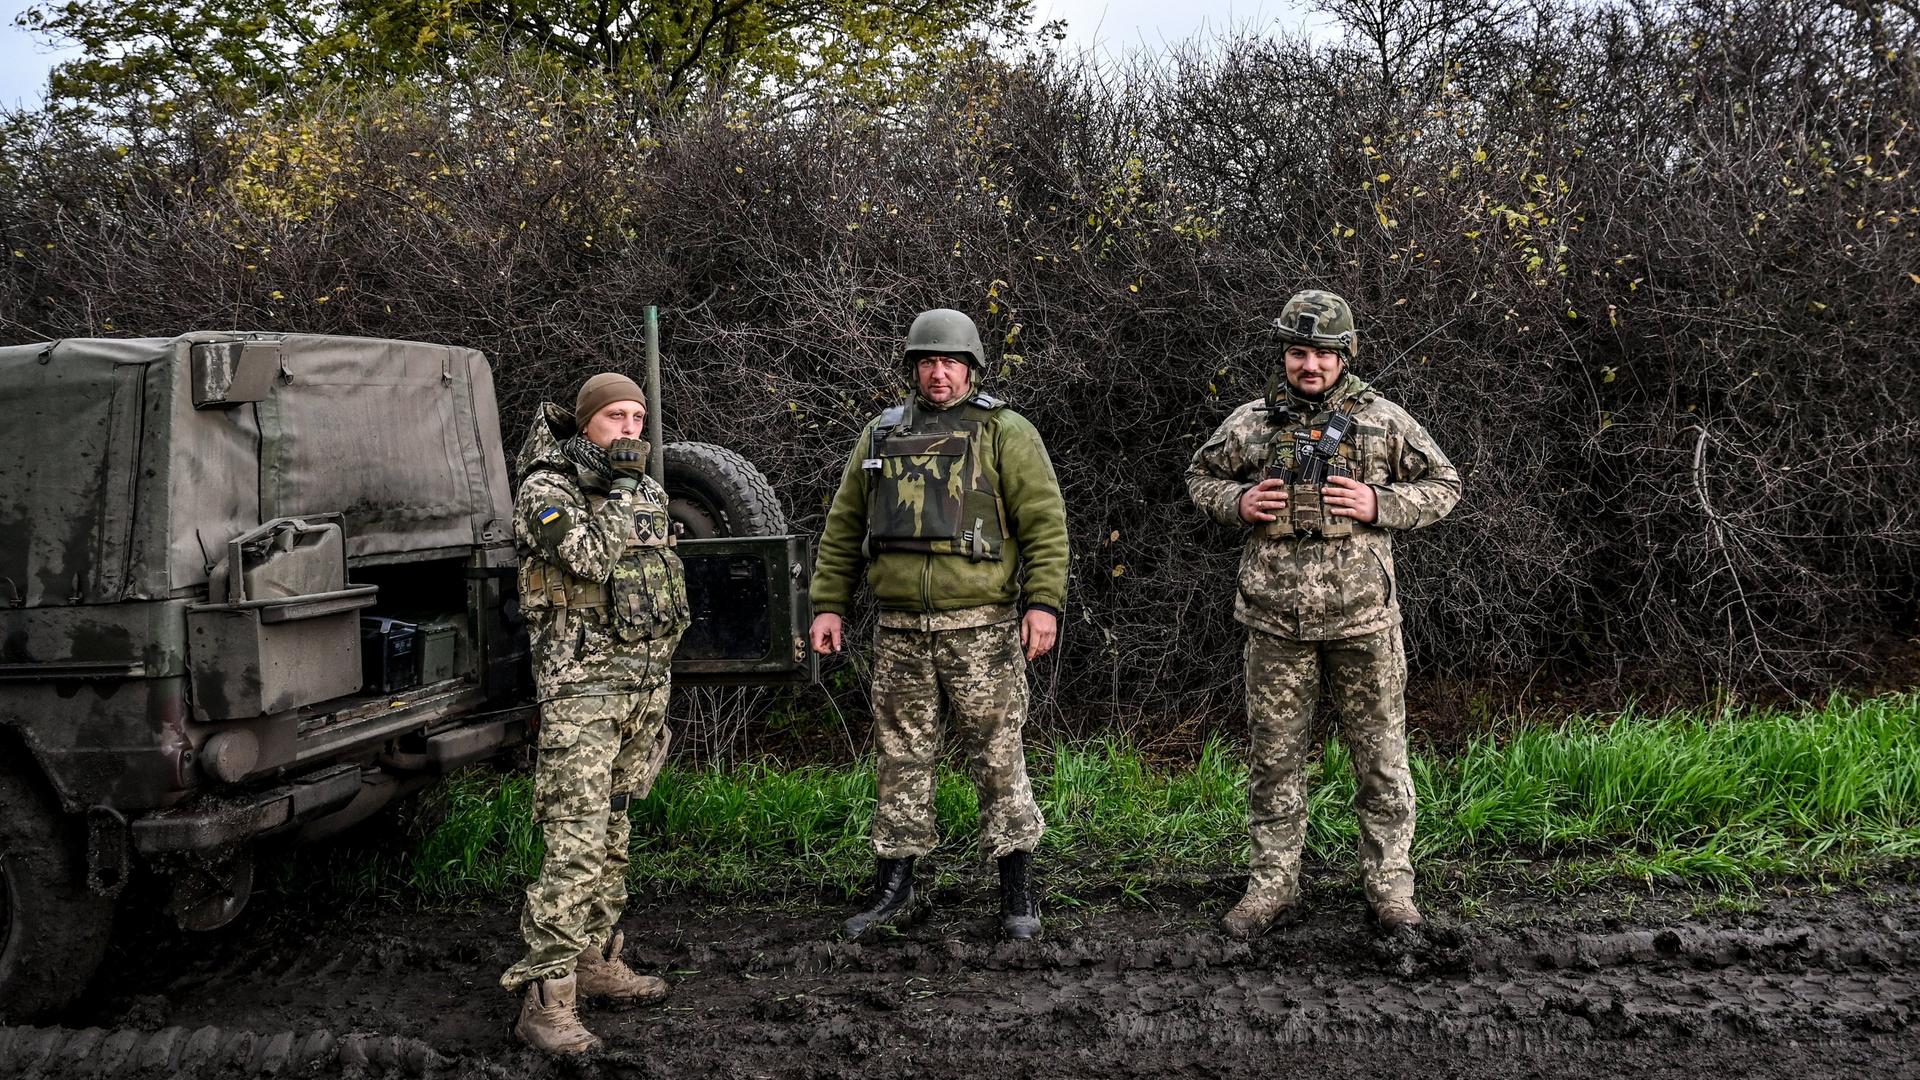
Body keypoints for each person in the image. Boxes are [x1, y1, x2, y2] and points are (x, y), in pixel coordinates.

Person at [1185, 290, 1461, 939]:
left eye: (1323, 353)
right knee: (1274, 759)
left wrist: (1378, 502)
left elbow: (1445, 486)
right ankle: (1273, 884)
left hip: (1362, 619)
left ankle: (1390, 886)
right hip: (1274, 620)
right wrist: (1239, 500)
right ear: (1285, 354)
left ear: (1345, 356)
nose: (1310, 365)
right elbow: (1200, 477)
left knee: (1382, 758)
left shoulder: (1384, 420)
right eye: (1299, 351)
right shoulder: (1251, 421)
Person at [808, 308, 1069, 942]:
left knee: (998, 753)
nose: (939, 373)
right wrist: (828, 604)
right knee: (900, 757)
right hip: (898, 629)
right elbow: (844, 528)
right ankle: (897, 886)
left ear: (973, 368)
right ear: (912, 369)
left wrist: (1044, 603)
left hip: (981, 626)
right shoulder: (879, 435)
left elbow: (1044, 522)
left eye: (951, 362)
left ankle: (1017, 890)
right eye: (928, 361)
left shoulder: (1006, 432)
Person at [499, 372, 692, 1053]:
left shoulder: (644, 488)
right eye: (615, 416)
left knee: (613, 833)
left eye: (639, 416)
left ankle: (597, 961)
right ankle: (546, 1001)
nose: (631, 427)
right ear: (587, 424)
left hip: (639, 690)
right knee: (574, 845)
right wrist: (618, 489)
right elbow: (588, 557)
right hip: (581, 693)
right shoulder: (546, 491)